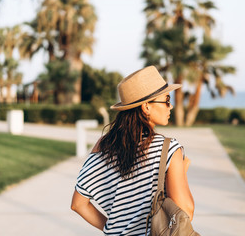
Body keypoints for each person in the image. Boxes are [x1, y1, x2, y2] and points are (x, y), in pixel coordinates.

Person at [71, 66, 195, 235]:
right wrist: (181, 170)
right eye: (166, 100)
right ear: (146, 107)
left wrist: (111, 228)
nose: (170, 106)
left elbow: (78, 204)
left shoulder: (103, 146)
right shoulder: (168, 149)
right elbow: (186, 212)